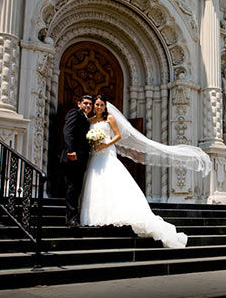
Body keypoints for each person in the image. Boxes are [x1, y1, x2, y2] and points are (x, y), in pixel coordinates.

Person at [79, 96, 211, 248]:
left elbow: (118, 136)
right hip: (94, 155)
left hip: (106, 153)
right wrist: (93, 142)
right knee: (95, 184)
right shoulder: (90, 121)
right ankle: (97, 217)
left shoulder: (110, 119)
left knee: (111, 183)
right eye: (97, 104)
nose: (99, 107)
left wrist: (105, 144)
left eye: (102, 105)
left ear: (105, 106)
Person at [60, 95, 94, 227]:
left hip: (81, 158)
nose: (88, 106)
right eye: (85, 103)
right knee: (72, 187)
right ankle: (71, 218)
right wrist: (70, 150)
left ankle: (73, 216)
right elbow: (67, 132)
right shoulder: (74, 113)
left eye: (90, 104)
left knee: (76, 188)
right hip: (72, 156)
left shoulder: (86, 118)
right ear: (79, 103)